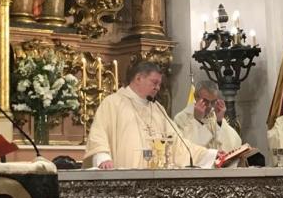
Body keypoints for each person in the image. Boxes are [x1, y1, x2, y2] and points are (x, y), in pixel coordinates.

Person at [85, 62, 222, 169]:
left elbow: (179, 144)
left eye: (159, 84)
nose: (157, 88)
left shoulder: (157, 109)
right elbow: (99, 135)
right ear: (138, 78)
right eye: (154, 82)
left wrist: (210, 155)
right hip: (125, 180)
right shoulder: (113, 103)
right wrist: (103, 158)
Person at [174, 80, 242, 151]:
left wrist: (219, 121)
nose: (209, 106)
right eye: (205, 101)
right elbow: (185, 150)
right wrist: (197, 121)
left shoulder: (214, 115)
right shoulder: (181, 118)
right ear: (195, 97)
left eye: (213, 102)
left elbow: (234, 145)